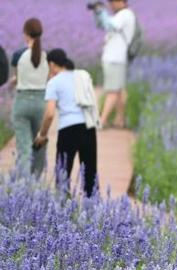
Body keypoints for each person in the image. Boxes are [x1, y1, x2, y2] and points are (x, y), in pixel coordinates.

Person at [35, 49, 99, 197]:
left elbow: (50, 114)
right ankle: (94, 209)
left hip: (68, 130)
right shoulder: (81, 76)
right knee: (90, 173)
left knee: (63, 173)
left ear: (51, 64)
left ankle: (62, 209)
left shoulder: (54, 82)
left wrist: (42, 134)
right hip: (88, 127)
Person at [10, 18, 49, 178]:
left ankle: (24, 186)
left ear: (26, 34)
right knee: (39, 144)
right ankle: (36, 181)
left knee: (24, 146)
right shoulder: (46, 55)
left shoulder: (19, 54)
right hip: (41, 102)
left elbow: (18, 78)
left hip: (22, 101)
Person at [91, 0, 136, 128]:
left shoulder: (125, 14)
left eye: (113, 1)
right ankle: (120, 120)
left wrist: (101, 11)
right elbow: (102, 25)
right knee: (120, 90)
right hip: (116, 58)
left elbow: (111, 25)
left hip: (115, 58)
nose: (111, 4)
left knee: (112, 91)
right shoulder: (121, 15)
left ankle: (102, 121)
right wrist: (97, 14)